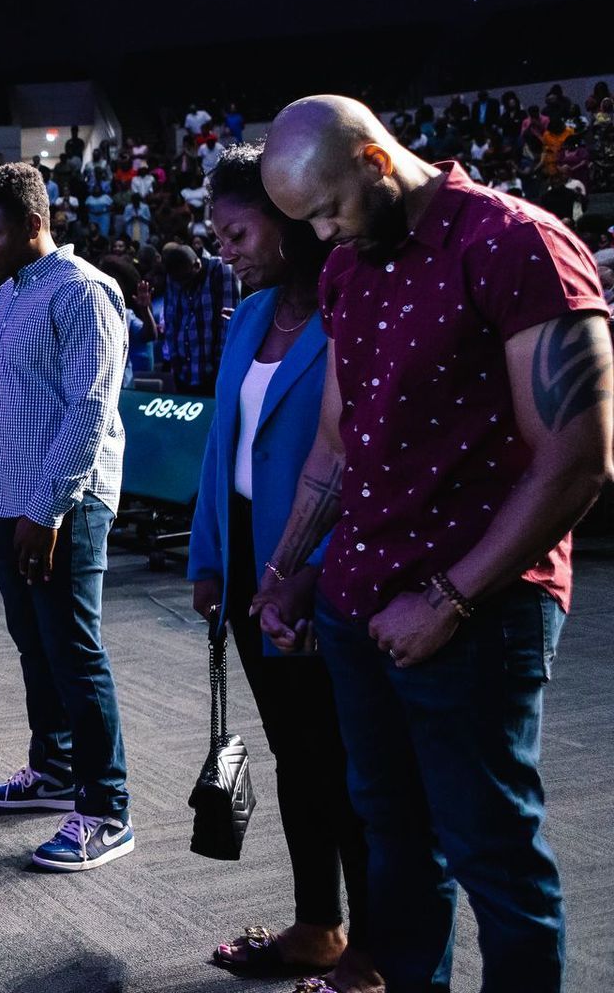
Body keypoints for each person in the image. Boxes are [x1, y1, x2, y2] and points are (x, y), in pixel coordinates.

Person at [256, 96, 611, 993]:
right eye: (307, 222)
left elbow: (579, 457)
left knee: (490, 849)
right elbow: (340, 442)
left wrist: (449, 599)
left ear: (377, 161)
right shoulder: (346, 268)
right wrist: (294, 569)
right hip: (361, 599)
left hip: (479, 608)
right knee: (393, 844)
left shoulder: (513, 243)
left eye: (329, 208)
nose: (325, 234)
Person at [184, 143, 369, 984]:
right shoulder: (250, 317)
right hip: (254, 576)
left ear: (292, 219)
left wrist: (314, 571)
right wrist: (210, 559)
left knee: (352, 770)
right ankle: (316, 928)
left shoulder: (352, 313)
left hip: (326, 579)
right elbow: (222, 446)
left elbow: (361, 463)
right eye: (216, 233)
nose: (224, 246)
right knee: (299, 761)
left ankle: (371, 950)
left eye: (236, 229)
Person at [0, 162, 133, 873]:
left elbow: (91, 409)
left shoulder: (82, 291)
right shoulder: (11, 294)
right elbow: (8, 404)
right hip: (13, 499)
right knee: (35, 645)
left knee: (74, 652)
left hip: (66, 503)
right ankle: (54, 770)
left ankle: (105, 809)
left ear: (35, 225)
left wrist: (51, 507)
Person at [158, 241, 240, 396]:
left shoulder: (222, 270)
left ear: (196, 265)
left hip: (214, 370)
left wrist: (220, 366)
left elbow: (228, 324)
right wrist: (174, 358)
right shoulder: (174, 275)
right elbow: (171, 320)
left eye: (186, 280)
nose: (182, 286)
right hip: (183, 371)